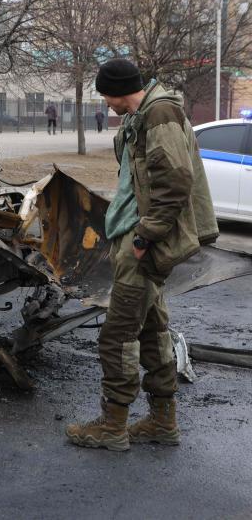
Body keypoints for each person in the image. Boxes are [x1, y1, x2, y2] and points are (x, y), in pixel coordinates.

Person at [65, 59, 218, 451]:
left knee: (116, 337)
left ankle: (112, 426)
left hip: (144, 244)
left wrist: (145, 236)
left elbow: (176, 180)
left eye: (105, 95)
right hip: (137, 240)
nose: (105, 103)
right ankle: (162, 421)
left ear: (118, 89)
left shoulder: (160, 113)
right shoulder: (143, 115)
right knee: (152, 332)